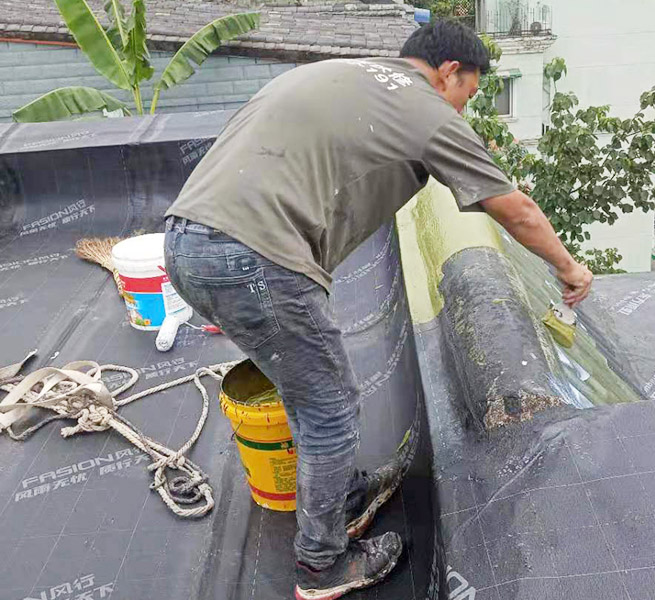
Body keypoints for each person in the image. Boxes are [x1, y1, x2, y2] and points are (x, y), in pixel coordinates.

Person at [163, 20, 593, 600]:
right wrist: (570, 269)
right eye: (468, 93)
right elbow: (515, 209)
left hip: (185, 244)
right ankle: (322, 565)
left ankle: (342, 495)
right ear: (449, 72)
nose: (464, 108)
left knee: (309, 387)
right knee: (330, 408)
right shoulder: (425, 110)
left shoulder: (342, 74)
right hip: (255, 257)